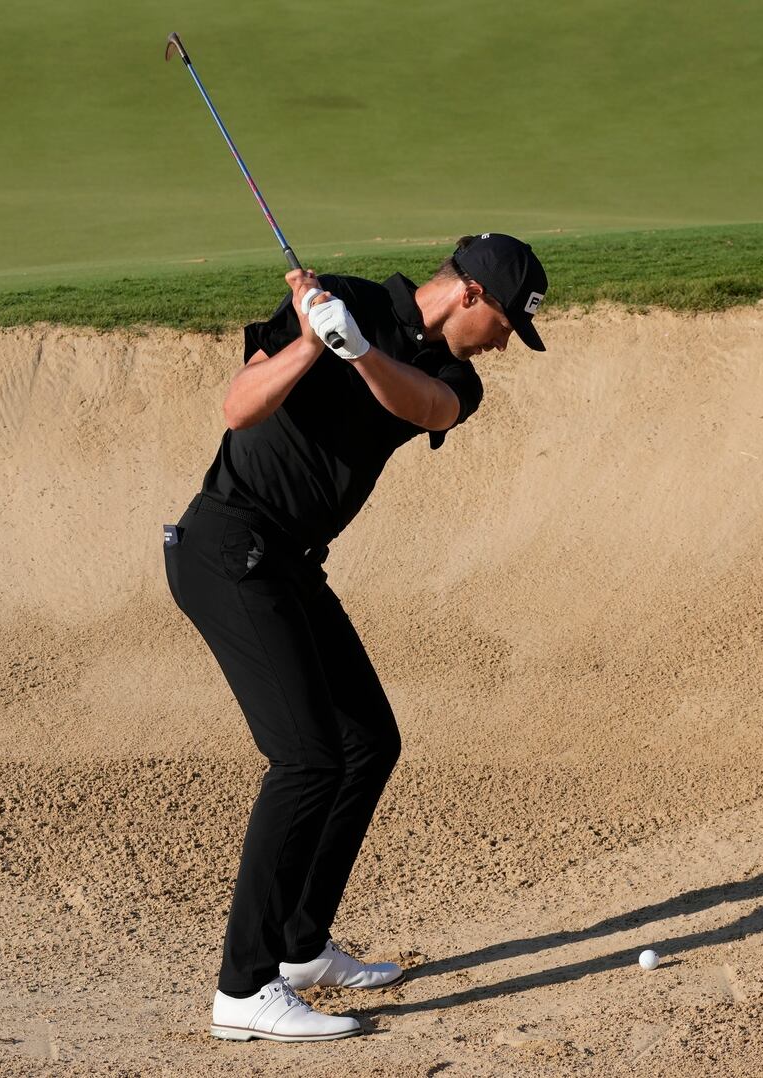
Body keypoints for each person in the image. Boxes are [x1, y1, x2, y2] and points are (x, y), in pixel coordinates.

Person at [162, 233, 549, 1043]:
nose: (508, 341)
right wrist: (311, 343)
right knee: (305, 759)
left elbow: (426, 407)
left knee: (368, 741)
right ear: (471, 294)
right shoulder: (340, 296)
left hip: (292, 566)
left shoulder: (452, 374)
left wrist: (360, 351)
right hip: (229, 550)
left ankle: (301, 947)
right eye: (509, 323)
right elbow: (239, 407)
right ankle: (243, 990)